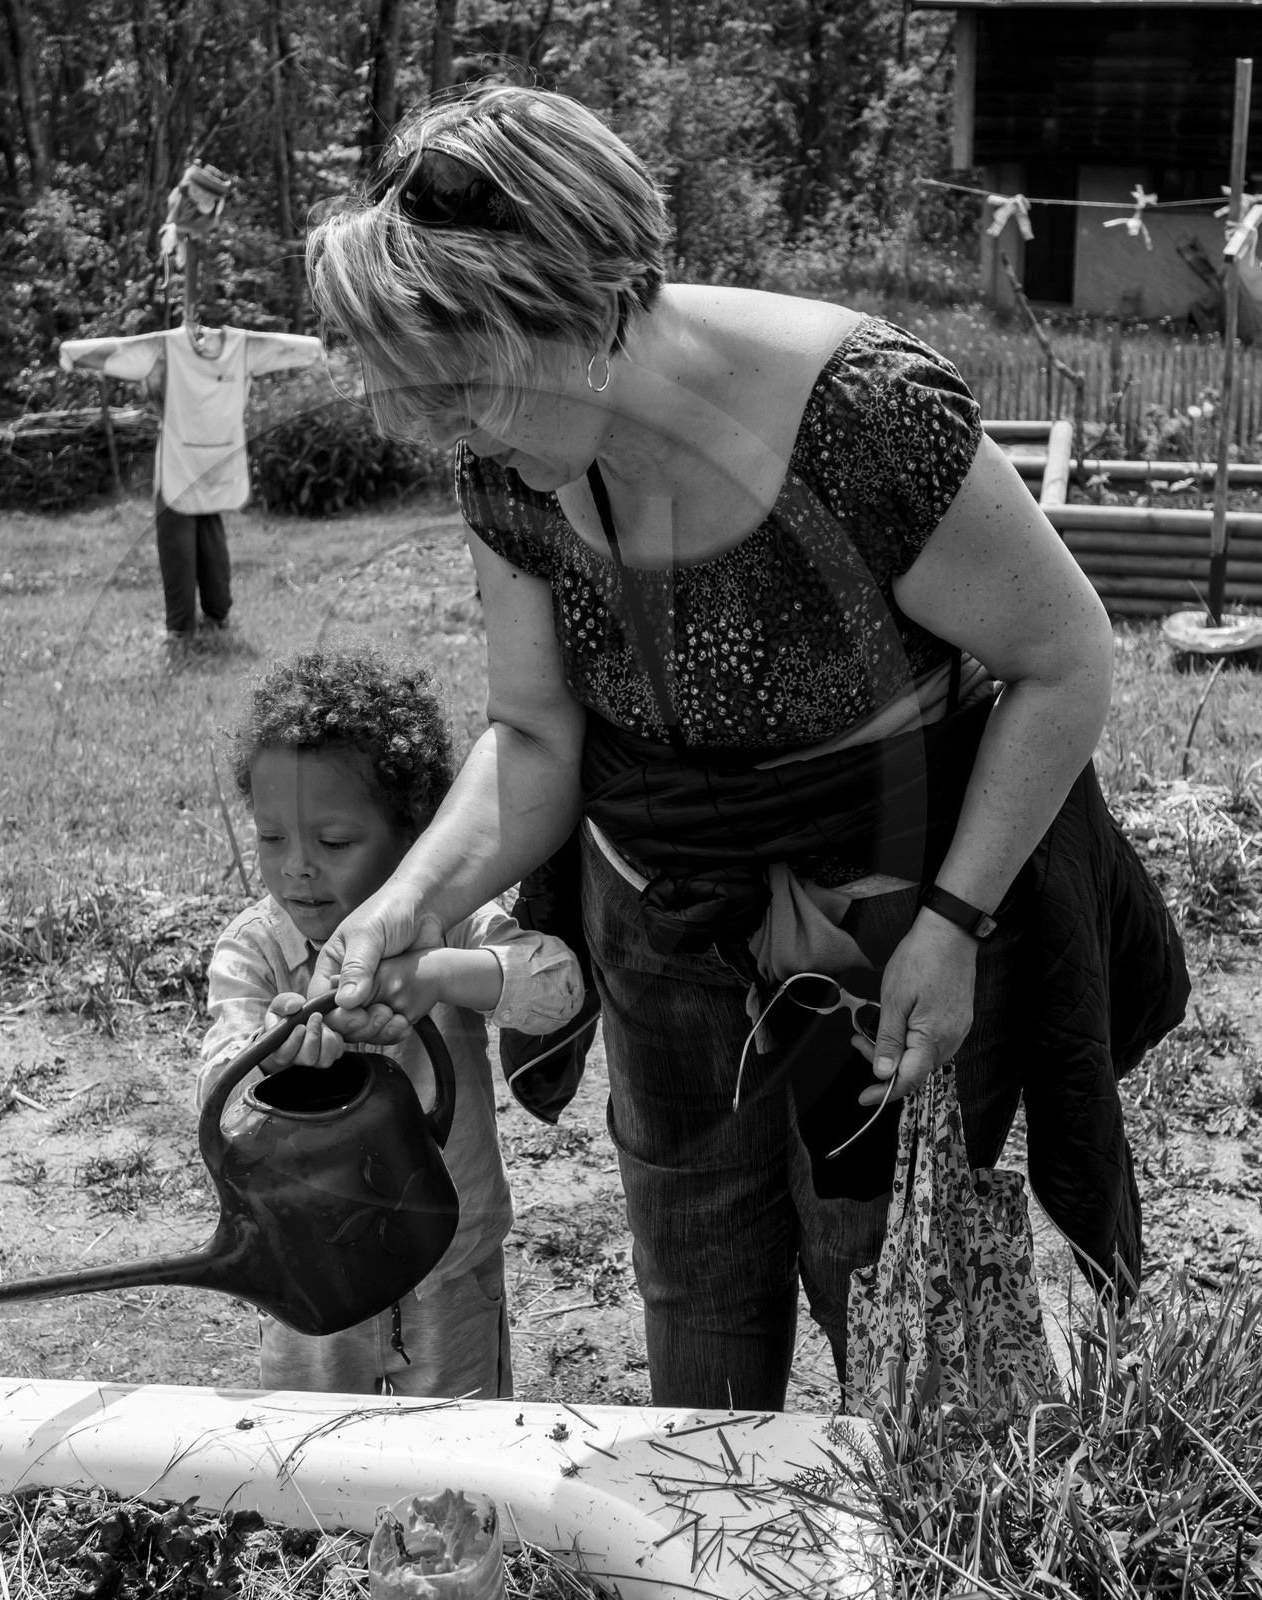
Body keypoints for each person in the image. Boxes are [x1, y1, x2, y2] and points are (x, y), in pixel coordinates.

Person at [300, 83, 1188, 1411]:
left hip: (900, 909)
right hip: (664, 913)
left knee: (907, 1297)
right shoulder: (510, 456)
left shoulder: (862, 419)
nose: (449, 436)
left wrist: (953, 920)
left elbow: (1065, 661)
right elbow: (536, 732)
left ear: (592, 308)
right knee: (694, 1270)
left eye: (468, 387)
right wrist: (405, 900)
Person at [197, 646, 585, 1398]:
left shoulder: (450, 920)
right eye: (272, 838)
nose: (298, 867)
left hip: (451, 1261)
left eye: (334, 842)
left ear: (412, 836)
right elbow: (217, 1078)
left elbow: (559, 988)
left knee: (463, 1465)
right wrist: (270, 1058)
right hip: (309, 1262)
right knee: (313, 1467)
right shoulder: (256, 949)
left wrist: (436, 971)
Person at [60, 318, 321, 643]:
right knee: (210, 531)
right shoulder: (244, 347)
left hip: (178, 465)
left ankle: (181, 628)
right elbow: (301, 349)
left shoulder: (165, 347)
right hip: (218, 466)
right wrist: (317, 347)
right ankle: (218, 614)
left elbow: (117, 352)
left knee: (175, 539)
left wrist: (70, 353)